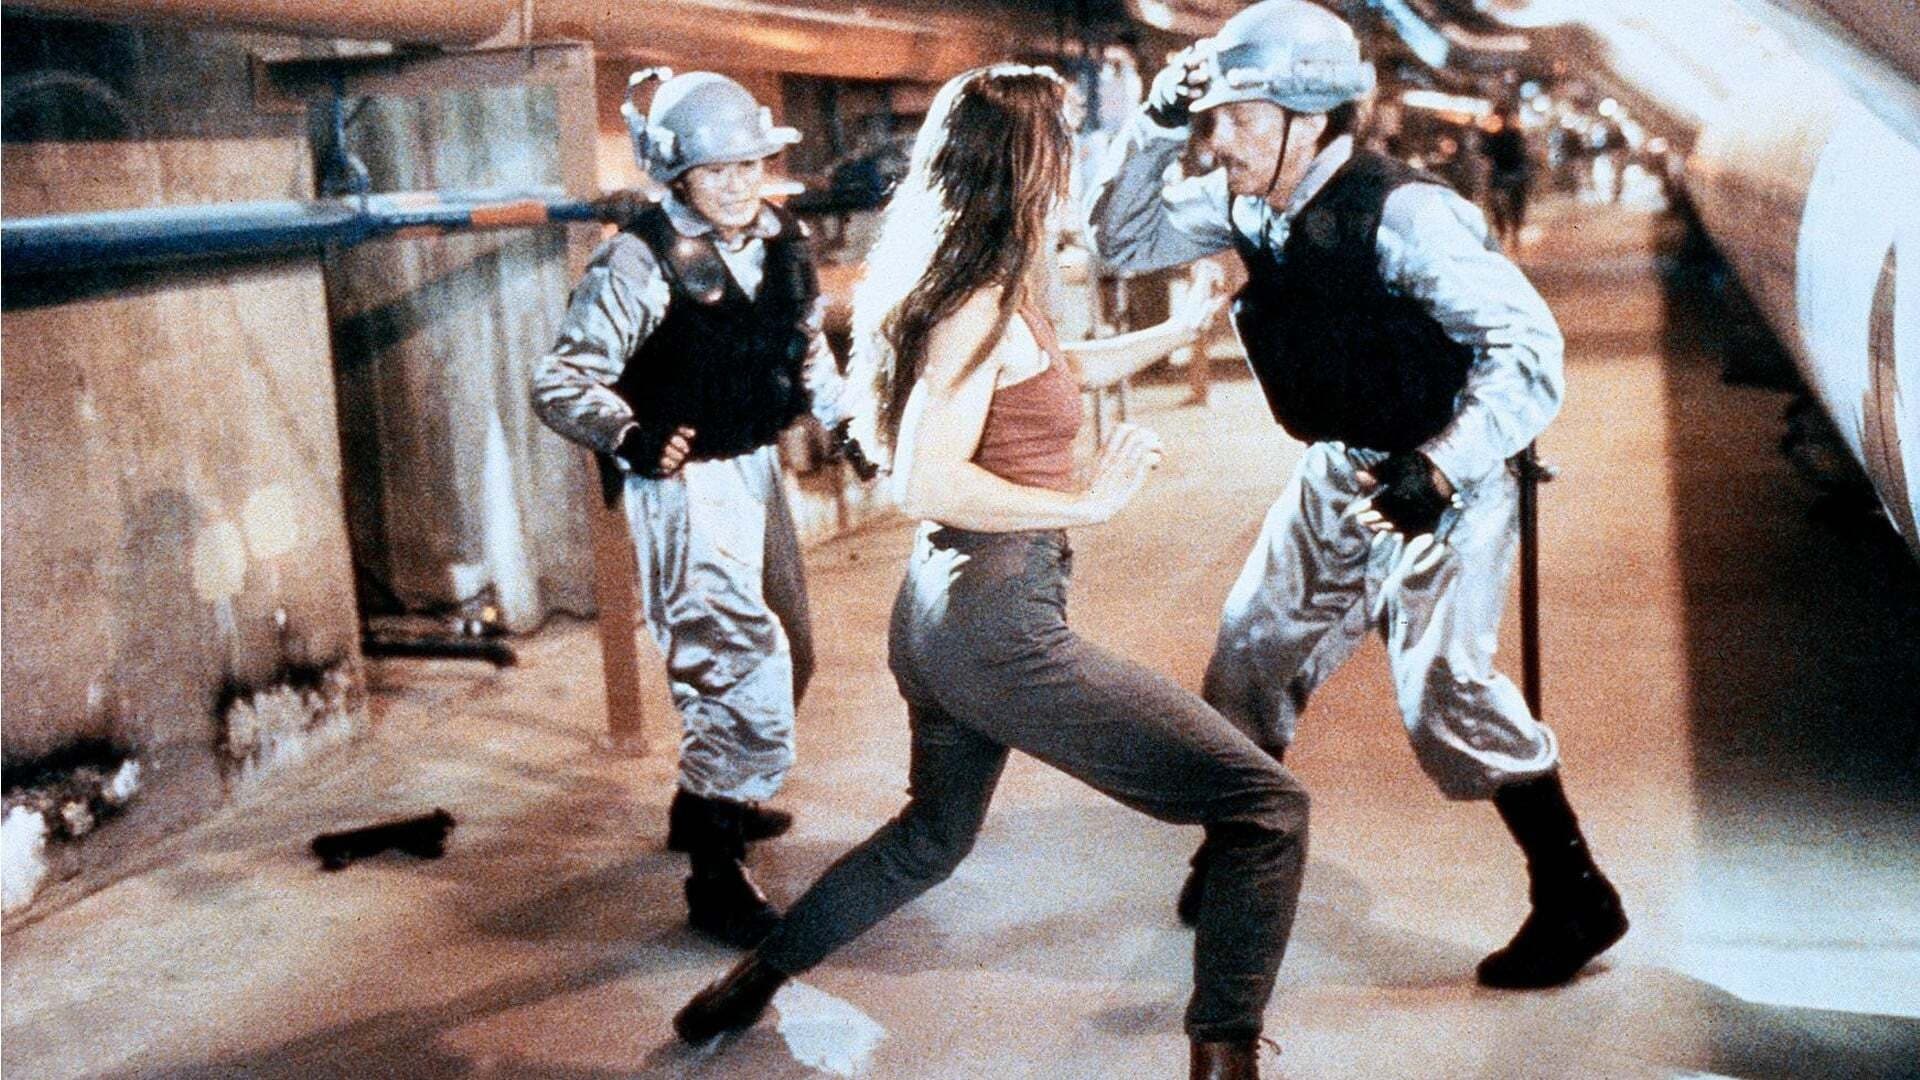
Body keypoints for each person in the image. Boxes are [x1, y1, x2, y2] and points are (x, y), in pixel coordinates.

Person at [673, 64, 1310, 1080]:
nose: (1074, 163)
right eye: (1062, 142)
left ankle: (748, 983)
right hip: (994, 622)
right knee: (1265, 808)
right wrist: (1086, 505)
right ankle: (1225, 1059)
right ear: (1026, 162)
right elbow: (925, 480)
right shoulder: (975, 301)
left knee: (931, 838)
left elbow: (1057, 373)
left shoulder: (989, 281)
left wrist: (1175, 332)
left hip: (940, 613)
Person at [1085, 0, 1627, 991]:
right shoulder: (1247, 202)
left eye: (1239, 118)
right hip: (1339, 466)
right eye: (1215, 118)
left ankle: (1574, 892)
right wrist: (1154, 128)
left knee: (1444, 688)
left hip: (1448, 473)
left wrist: (1444, 465)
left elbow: (1527, 350)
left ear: (1310, 119)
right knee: (1250, 650)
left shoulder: (1407, 215)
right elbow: (1120, 241)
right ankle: (1240, 837)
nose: (1220, 138)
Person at [531, 70, 864, 949]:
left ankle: (704, 798)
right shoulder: (638, 260)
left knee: (791, 651)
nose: (736, 183)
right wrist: (628, 434)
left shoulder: (784, 239)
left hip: (755, 467)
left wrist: (845, 423)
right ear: (677, 175)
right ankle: (714, 873)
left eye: (748, 164)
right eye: (715, 170)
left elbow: (805, 351)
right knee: (731, 662)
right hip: (684, 485)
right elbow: (560, 379)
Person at [1481, 101, 1532, 251]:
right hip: (1508, 173)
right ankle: (1509, 231)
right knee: (1508, 205)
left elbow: (1486, 153)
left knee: (1507, 204)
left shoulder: (1509, 133)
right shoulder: (1510, 132)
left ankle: (1508, 232)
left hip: (1510, 172)